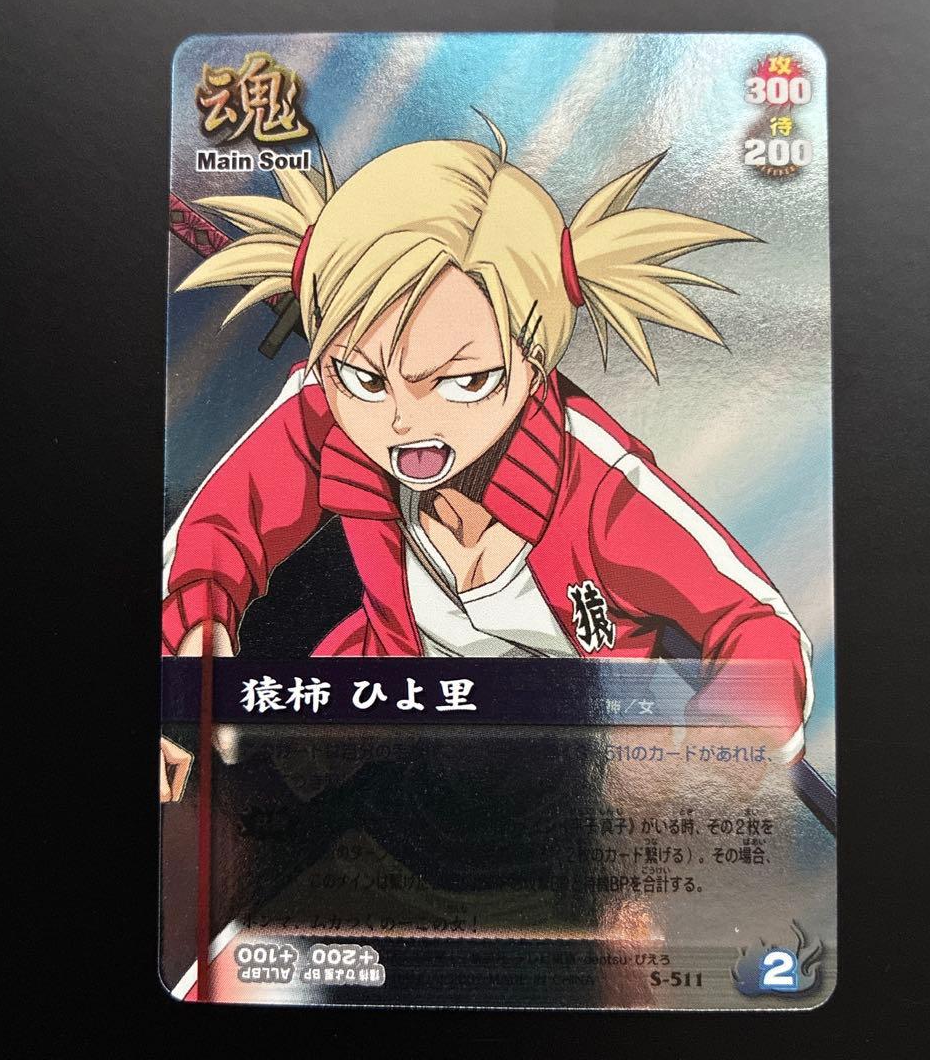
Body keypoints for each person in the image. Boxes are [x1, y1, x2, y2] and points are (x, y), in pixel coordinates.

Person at [162, 113, 813, 766]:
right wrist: (196, 626)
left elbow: (756, 626)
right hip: (383, 717)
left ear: (533, 364)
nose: (403, 421)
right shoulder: (329, 407)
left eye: (463, 381)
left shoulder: (602, 492)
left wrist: (733, 733)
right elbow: (219, 527)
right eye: (367, 376)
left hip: (569, 766)